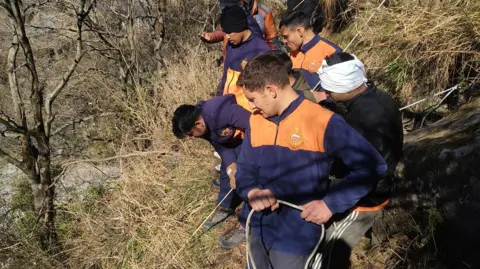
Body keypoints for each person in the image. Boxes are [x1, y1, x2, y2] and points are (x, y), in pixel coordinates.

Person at [235, 53, 387, 269]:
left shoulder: (323, 121)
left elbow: (372, 166)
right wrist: (251, 190)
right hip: (257, 227)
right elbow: (245, 166)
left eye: (252, 99)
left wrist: (330, 204)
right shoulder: (256, 120)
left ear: (271, 90)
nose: (251, 107)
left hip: (297, 237)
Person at [315, 52, 404, 268]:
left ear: (345, 86)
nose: (326, 93)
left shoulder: (367, 118)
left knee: (329, 251)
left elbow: (373, 171)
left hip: (366, 198)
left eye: (329, 90)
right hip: (363, 187)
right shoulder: (377, 97)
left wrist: (329, 197)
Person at [172, 94, 250, 248]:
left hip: (257, 134)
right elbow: (221, 147)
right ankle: (225, 206)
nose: (191, 139)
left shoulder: (221, 111)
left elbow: (255, 125)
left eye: (190, 134)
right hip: (235, 140)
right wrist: (231, 168)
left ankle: (247, 224)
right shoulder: (201, 127)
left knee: (249, 177)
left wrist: (244, 161)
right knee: (226, 172)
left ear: (198, 123)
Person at [217, 5, 271, 111]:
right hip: (229, 105)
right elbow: (225, 75)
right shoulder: (230, 45)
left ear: (240, 27)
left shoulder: (261, 49)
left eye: (230, 32)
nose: (227, 37)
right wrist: (219, 97)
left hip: (248, 110)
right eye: (225, 33)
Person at [279, 11, 342, 101]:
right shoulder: (294, 52)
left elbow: (343, 89)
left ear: (299, 31)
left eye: (286, 37)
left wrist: (322, 96)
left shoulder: (331, 52)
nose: (284, 41)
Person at [200, 0, 283, 52]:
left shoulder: (263, 13)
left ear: (242, 3)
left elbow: (273, 42)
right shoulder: (228, 13)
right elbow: (223, 31)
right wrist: (211, 36)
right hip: (234, 59)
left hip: (258, 61)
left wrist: (277, 60)